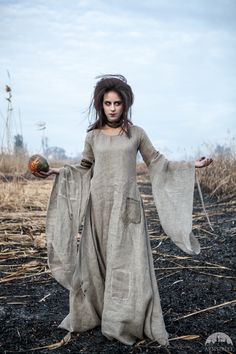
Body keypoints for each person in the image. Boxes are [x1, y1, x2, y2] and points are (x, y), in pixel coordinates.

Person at [34, 74, 213, 346]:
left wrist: (192, 166)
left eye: (117, 103)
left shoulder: (136, 134)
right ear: (100, 105)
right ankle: (95, 314)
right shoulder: (93, 136)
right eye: (107, 103)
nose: (113, 108)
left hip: (127, 210)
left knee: (128, 264)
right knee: (95, 264)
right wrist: (56, 172)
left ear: (125, 104)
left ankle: (122, 320)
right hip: (99, 209)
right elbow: (84, 168)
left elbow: (157, 162)